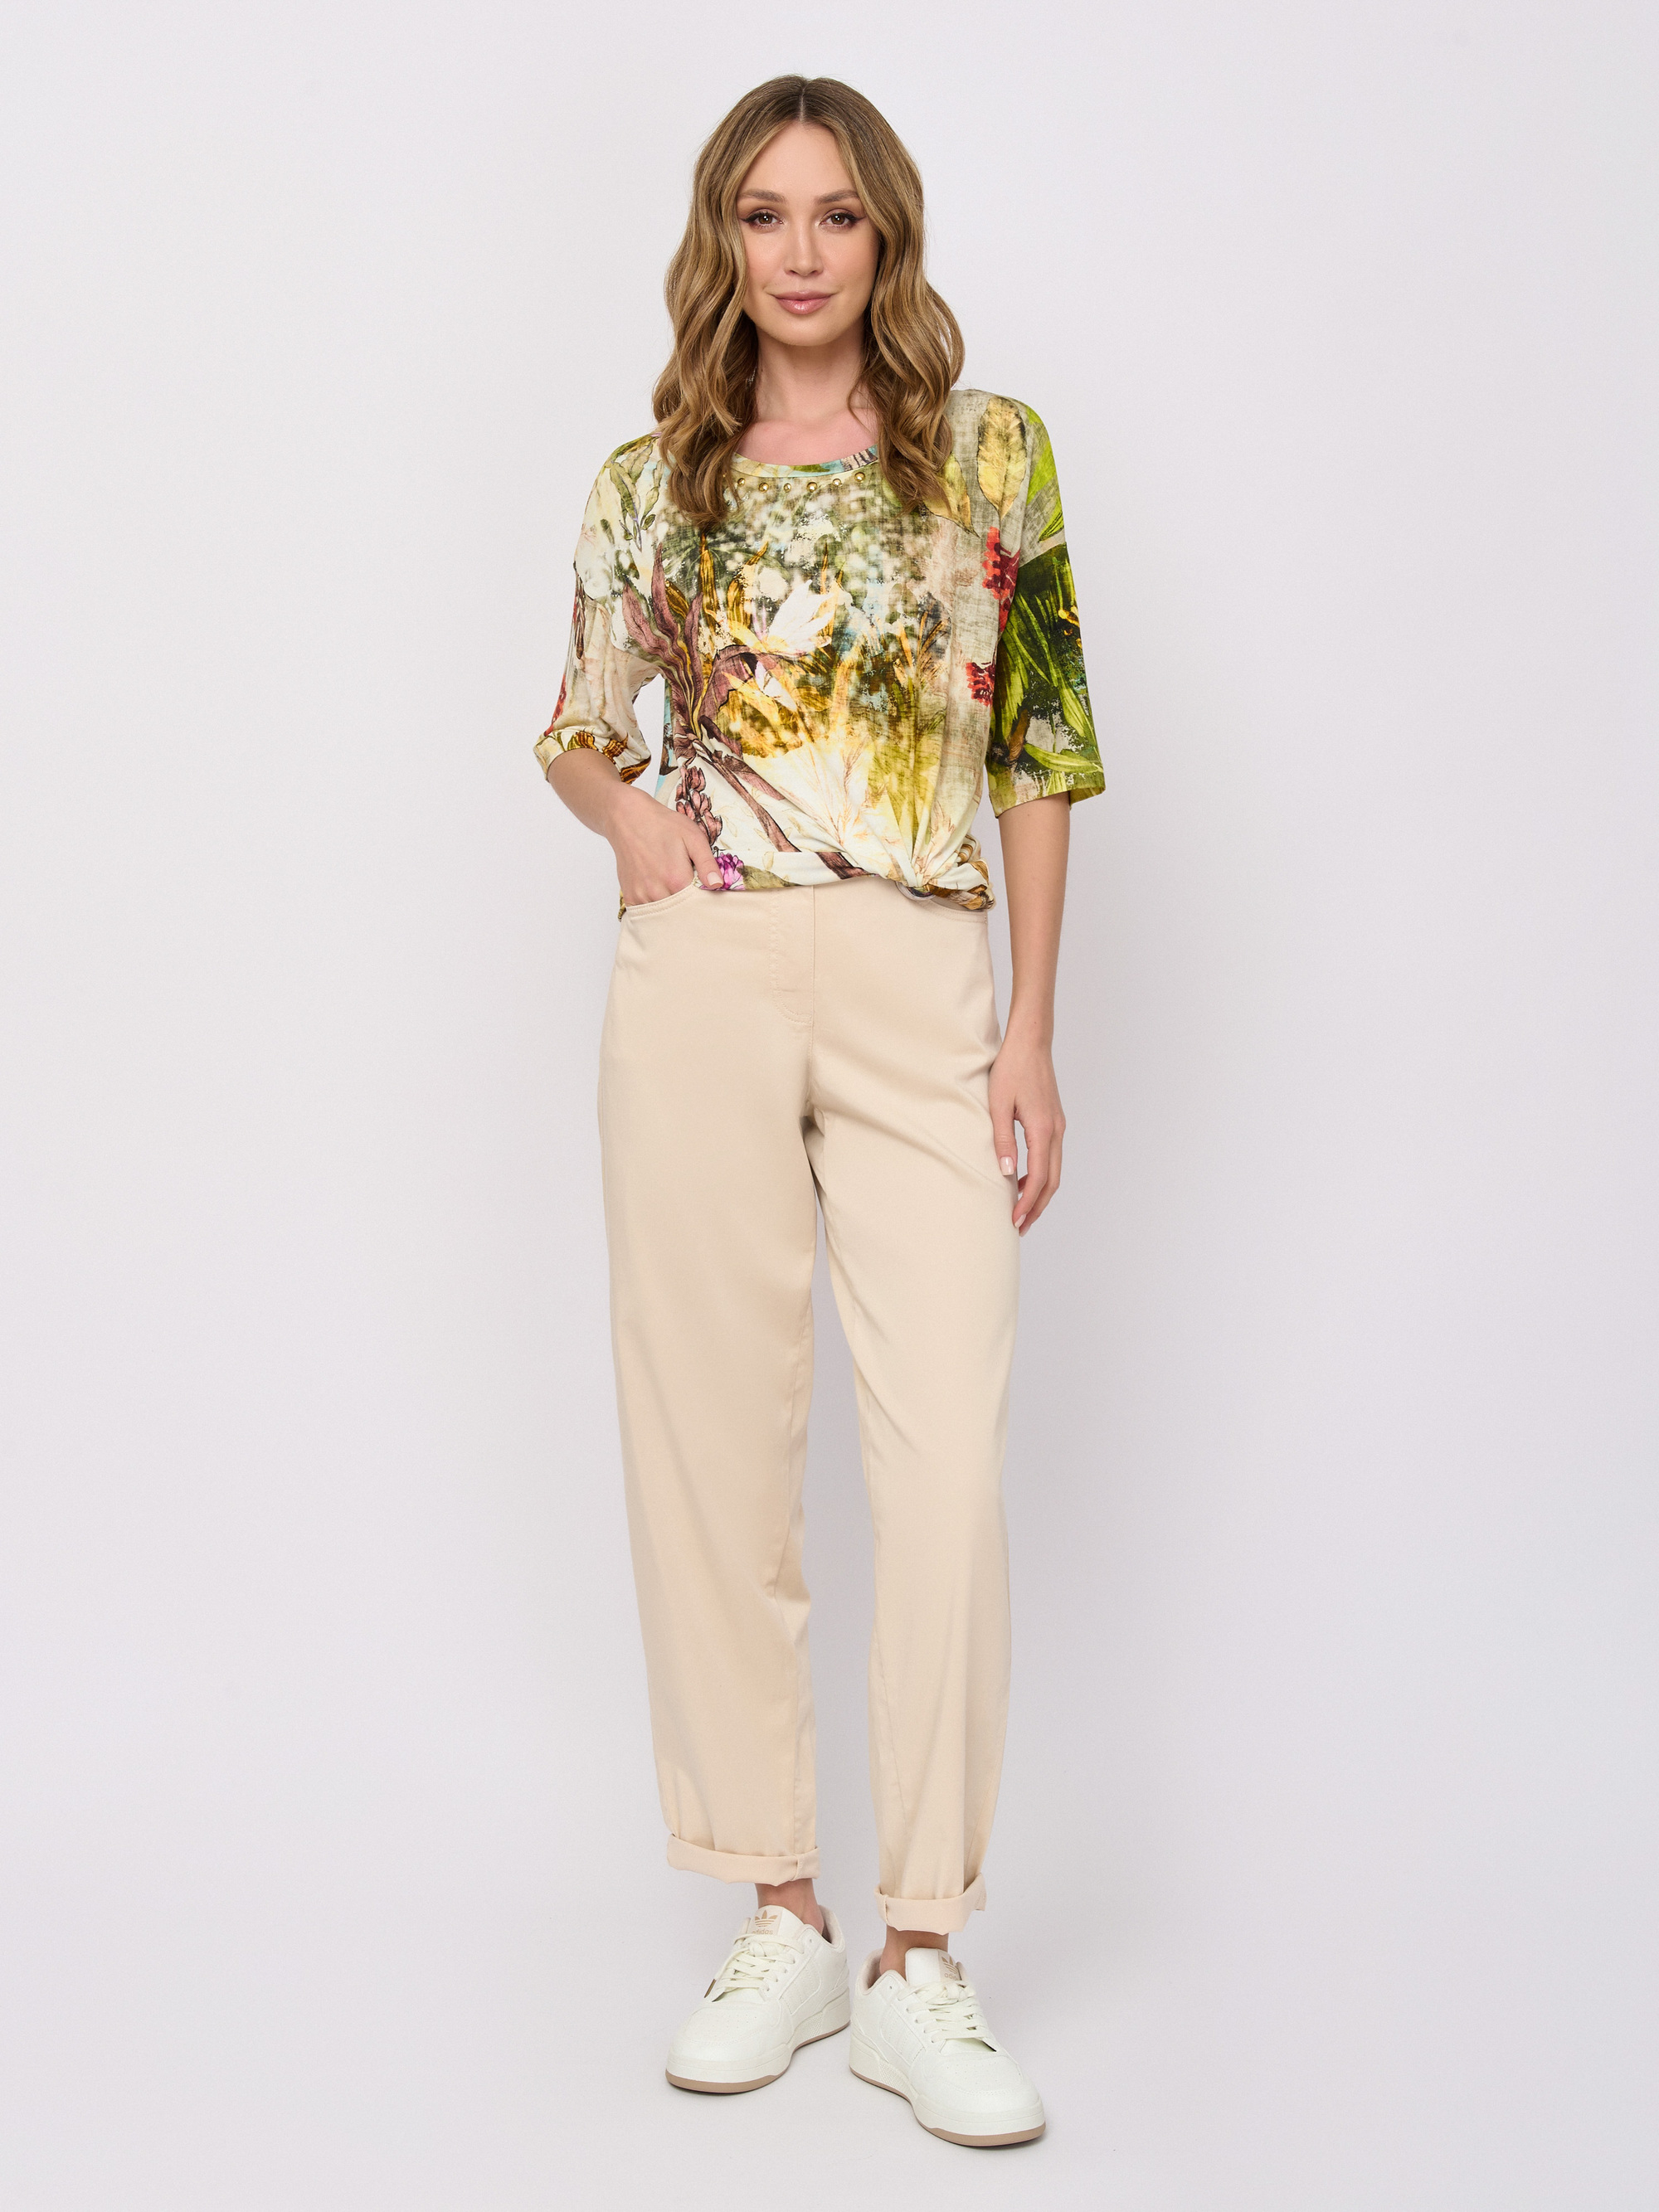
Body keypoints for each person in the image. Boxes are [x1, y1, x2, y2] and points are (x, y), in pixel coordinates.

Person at [537, 75, 1101, 2147]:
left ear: (886, 237)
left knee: (943, 1453)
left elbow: (1040, 742)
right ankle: (774, 1909)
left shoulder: (989, 457)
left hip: (915, 973)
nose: (798, 251)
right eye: (764, 214)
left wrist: (1029, 1028)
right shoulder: (651, 478)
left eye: (836, 214)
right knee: (710, 1443)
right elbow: (579, 726)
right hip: (700, 975)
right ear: (723, 238)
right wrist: (626, 825)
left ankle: (917, 1952)